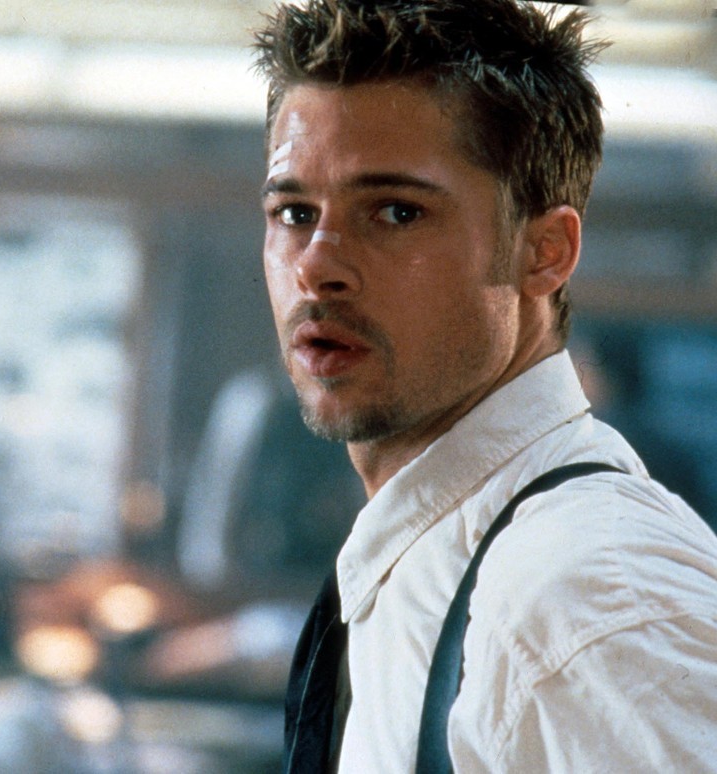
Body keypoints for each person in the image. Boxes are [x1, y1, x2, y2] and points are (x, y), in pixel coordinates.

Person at [251, 0, 717, 771]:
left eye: (396, 212)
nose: (316, 265)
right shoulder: (441, 567)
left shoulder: (585, 611)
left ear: (545, 251)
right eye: (295, 212)